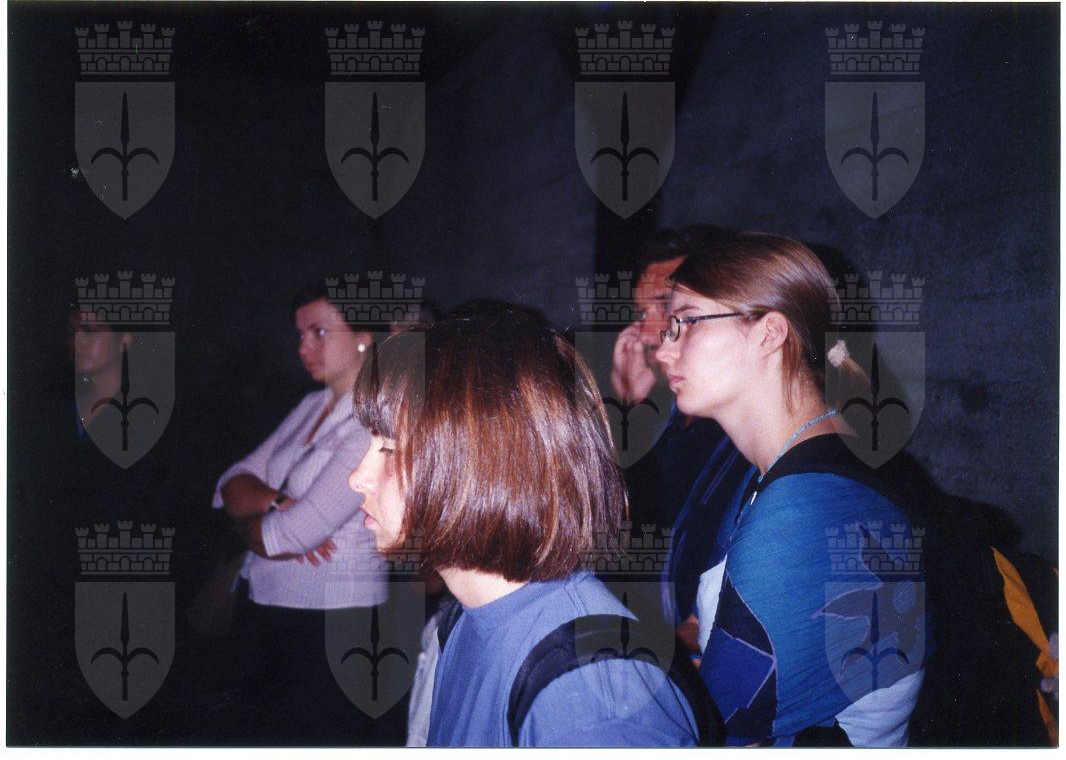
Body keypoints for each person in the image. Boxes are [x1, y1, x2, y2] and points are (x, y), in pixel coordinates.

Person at [347, 310, 702, 747]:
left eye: (389, 447)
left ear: (482, 463)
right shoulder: (468, 615)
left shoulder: (588, 699)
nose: (357, 477)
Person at [655, 233, 933, 746]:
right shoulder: (777, 470)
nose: (663, 349)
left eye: (686, 322)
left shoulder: (802, 517)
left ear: (769, 333)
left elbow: (711, 736)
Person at [212, 280, 387, 744]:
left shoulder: (377, 417)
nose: (303, 347)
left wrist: (251, 522)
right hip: (265, 608)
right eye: (300, 335)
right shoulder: (311, 404)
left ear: (363, 335)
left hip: (332, 624)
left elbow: (289, 537)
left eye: (319, 332)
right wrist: (276, 503)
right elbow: (228, 483)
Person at [610, 227, 755, 652]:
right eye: (644, 312)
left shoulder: (747, 439)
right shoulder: (672, 425)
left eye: (671, 308)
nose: (648, 333)